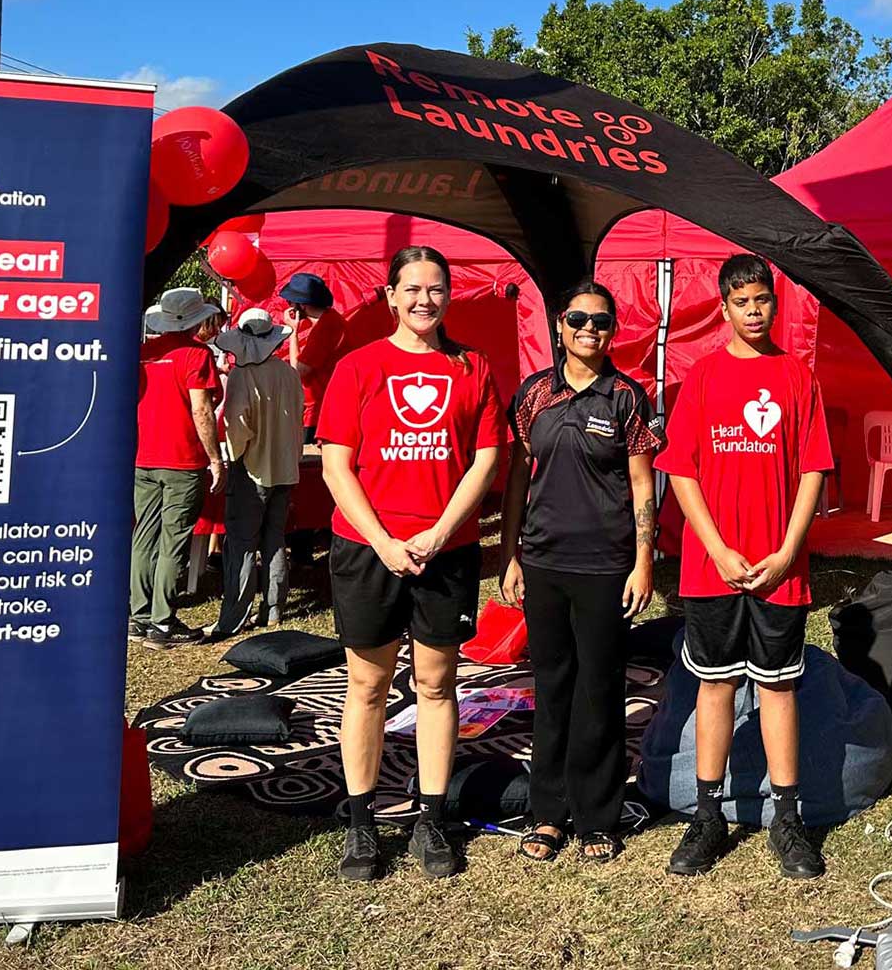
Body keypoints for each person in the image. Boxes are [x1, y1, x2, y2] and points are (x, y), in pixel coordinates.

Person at [317, 247, 504, 882]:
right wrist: (385, 542)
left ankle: (430, 817)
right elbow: (336, 465)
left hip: (445, 553)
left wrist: (440, 531)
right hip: (368, 549)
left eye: (437, 289)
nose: (426, 300)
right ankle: (363, 821)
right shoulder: (357, 367)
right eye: (413, 289)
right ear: (390, 297)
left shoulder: (473, 366)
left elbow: (484, 460)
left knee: (436, 684)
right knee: (366, 686)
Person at [654, 253, 832, 879]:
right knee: (716, 684)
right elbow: (681, 471)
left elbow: (813, 470)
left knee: (779, 686)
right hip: (713, 570)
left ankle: (787, 817)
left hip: (781, 568)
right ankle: (708, 815)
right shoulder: (702, 378)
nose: (755, 312)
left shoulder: (795, 376)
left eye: (763, 300)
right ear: (725, 308)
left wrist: (787, 550)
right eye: (743, 303)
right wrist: (717, 547)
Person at [499, 281, 662, 865]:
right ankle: (546, 814)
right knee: (551, 688)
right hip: (542, 562)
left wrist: (644, 562)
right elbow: (518, 475)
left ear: (612, 332)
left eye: (602, 323)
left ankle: (598, 816)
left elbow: (644, 483)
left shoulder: (627, 397)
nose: (590, 331)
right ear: (560, 327)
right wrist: (508, 552)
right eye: (579, 320)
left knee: (599, 689)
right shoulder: (534, 394)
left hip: (605, 565)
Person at [131, 288, 225, 650]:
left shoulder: (144, 352)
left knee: (144, 537)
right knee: (174, 541)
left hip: (144, 455)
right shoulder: (196, 354)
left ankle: (139, 616)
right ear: (194, 320)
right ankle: (162, 622)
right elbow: (202, 410)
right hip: (183, 459)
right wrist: (215, 458)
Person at [209, 308, 305, 641]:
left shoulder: (242, 375)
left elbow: (238, 426)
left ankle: (236, 614)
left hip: (251, 468)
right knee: (274, 538)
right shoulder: (288, 374)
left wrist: (233, 457)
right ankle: (274, 608)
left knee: (242, 542)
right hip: (285, 467)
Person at [281, 272, 344, 439]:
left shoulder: (325, 328)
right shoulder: (331, 320)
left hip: (318, 409)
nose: (288, 305)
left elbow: (298, 370)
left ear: (301, 305)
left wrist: (293, 332)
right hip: (323, 406)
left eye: (291, 301)